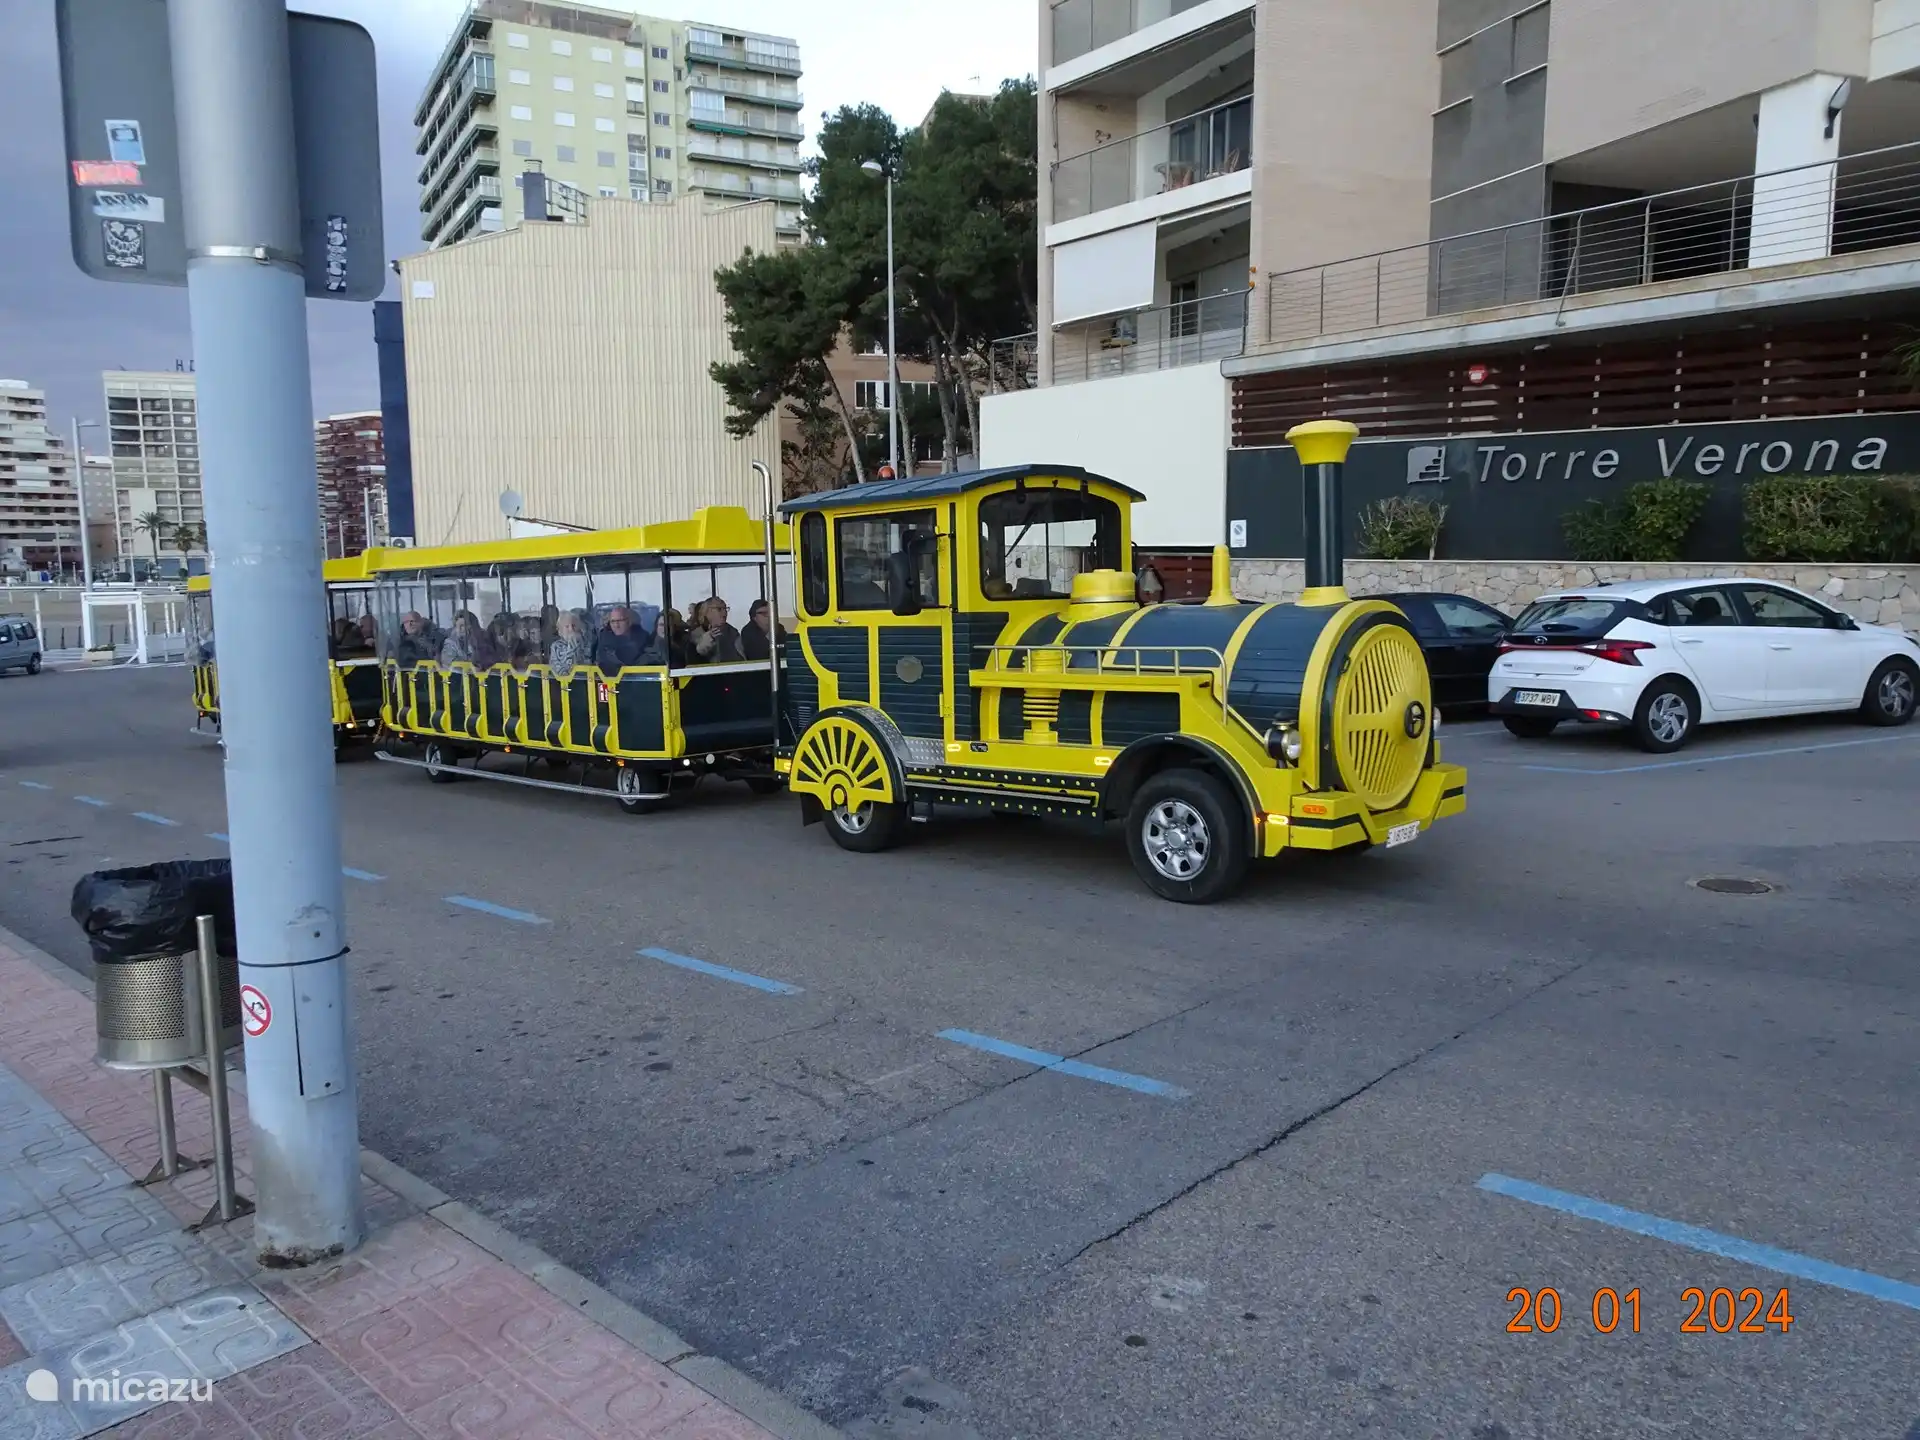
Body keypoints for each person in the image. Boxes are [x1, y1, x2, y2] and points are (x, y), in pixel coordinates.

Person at [594, 604, 649, 675]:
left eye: (620, 620)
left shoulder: (644, 638)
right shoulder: (604, 640)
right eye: (613, 621)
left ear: (629, 621)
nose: (616, 625)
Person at [686, 597, 742, 663]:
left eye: (725, 608)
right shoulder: (696, 634)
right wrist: (709, 638)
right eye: (719, 609)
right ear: (707, 612)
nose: (725, 612)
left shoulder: (732, 632)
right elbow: (700, 651)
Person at [548, 609, 590, 677]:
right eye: (567, 626)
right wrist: (572, 646)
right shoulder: (556, 646)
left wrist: (578, 643)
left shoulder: (585, 643)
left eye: (573, 625)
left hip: (583, 679)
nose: (571, 629)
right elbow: (556, 665)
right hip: (562, 681)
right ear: (560, 631)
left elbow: (588, 661)